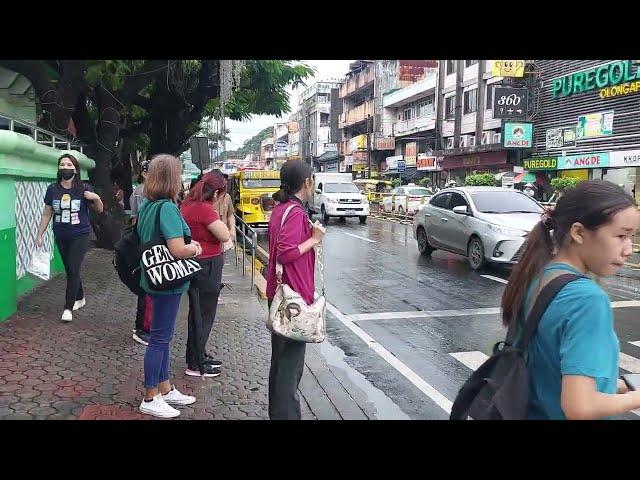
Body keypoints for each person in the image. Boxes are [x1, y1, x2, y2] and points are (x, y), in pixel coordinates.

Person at [501, 180, 640, 420]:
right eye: (621, 236)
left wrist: (624, 387)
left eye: (633, 237)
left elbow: (550, 373)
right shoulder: (586, 299)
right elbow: (580, 407)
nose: (629, 250)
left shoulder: (541, 275)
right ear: (578, 233)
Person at [136, 154, 202, 418]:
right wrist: (194, 248)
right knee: (159, 339)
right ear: (172, 179)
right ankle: (151, 396)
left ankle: (165, 387)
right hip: (168, 282)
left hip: (153, 278)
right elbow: (177, 249)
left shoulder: (147, 206)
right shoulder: (168, 208)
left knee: (162, 336)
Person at [265, 160, 324, 420]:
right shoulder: (295, 213)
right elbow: (287, 252)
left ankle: (278, 414)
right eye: (312, 180)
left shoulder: (281, 210)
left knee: (280, 363)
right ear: (306, 182)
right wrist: (314, 239)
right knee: (290, 368)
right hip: (293, 300)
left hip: (281, 295)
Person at [36, 154, 103, 322]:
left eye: (69, 165)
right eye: (62, 165)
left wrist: (96, 198)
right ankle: (80, 297)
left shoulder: (84, 188)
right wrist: (40, 234)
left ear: (75, 169)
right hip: (61, 234)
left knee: (73, 268)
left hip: (80, 234)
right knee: (71, 270)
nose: (65, 167)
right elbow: (47, 213)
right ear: (59, 168)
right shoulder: (53, 189)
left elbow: (100, 210)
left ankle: (68, 307)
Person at [180, 172, 230, 377]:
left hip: (194, 263)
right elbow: (224, 235)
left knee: (197, 313)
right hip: (207, 265)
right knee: (204, 315)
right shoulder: (204, 210)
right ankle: (196, 363)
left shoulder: (186, 205)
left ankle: (198, 354)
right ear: (216, 192)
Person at [130, 160, 152, 346]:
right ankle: (142, 328)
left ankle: (143, 326)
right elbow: (139, 217)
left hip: (146, 243)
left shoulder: (149, 192)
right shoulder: (141, 192)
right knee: (146, 287)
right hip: (145, 243)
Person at [213, 171, 236, 305]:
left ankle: (217, 291)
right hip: (212, 238)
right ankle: (213, 292)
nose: (225, 183)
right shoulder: (209, 197)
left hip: (225, 238)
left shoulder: (227, 197)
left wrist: (232, 228)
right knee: (214, 266)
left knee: (220, 266)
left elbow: (230, 215)